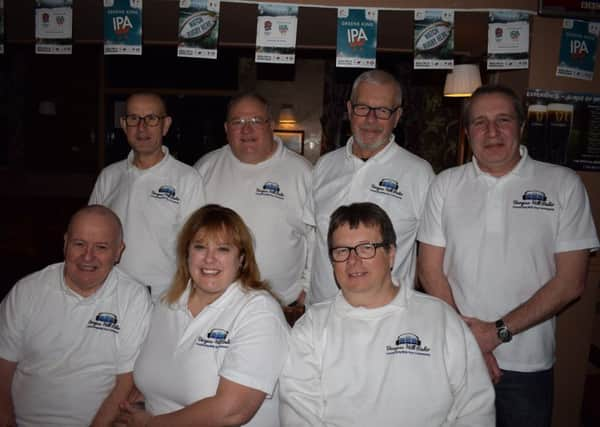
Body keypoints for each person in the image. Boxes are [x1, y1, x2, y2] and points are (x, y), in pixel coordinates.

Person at [417, 84, 600, 427]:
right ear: (468, 132)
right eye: (480, 123)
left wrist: (496, 332)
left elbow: (571, 282)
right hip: (456, 358)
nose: (492, 132)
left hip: (528, 367)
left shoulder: (564, 184)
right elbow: (430, 272)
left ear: (521, 125)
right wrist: (471, 342)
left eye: (503, 120)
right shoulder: (445, 184)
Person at [279, 202, 495, 426]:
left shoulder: (440, 318)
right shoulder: (312, 327)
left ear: (391, 254)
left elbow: (475, 407)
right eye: (342, 251)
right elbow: (299, 413)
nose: (353, 261)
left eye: (366, 248)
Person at [118, 204, 289, 427]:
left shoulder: (259, 312)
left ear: (242, 259)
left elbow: (232, 412)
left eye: (223, 249)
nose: (209, 259)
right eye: (200, 247)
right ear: (186, 254)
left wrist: (150, 424)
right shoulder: (165, 304)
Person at [0, 205, 152, 427]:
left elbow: (126, 383)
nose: (87, 257)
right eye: (79, 244)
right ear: (65, 243)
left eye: (101, 247)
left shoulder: (134, 298)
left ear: (119, 251)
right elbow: (3, 364)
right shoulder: (27, 290)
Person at [305, 69, 434, 303]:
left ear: (397, 117)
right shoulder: (324, 166)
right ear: (349, 110)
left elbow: (433, 255)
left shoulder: (419, 173)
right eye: (363, 108)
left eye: (383, 111)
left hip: (389, 322)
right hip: (323, 316)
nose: (371, 120)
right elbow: (312, 237)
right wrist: (305, 289)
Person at [194, 92, 312, 306]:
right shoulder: (205, 168)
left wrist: (308, 288)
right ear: (226, 129)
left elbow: (317, 238)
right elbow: (188, 235)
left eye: (256, 121)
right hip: (215, 303)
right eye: (238, 122)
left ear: (271, 125)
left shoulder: (302, 172)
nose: (247, 129)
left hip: (282, 304)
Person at [90, 92, 206, 300]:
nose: (142, 127)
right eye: (134, 118)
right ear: (124, 125)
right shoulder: (109, 176)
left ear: (166, 125)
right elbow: (90, 236)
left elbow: (197, 244)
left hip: (163, 298)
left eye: (151, 118)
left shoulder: (187, 178)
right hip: (109, 294)